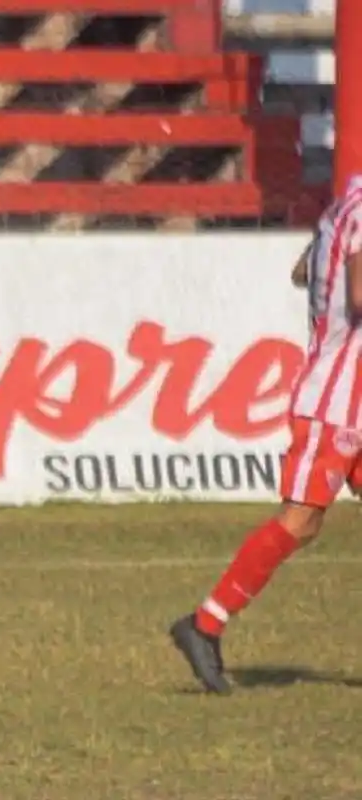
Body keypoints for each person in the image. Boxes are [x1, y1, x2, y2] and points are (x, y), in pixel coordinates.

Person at [170, 174, 362, 695]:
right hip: (336, 399)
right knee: (299, 521)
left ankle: (205, 625)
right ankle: (205, 624)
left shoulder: (342, 207)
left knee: (303, 523)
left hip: (352, 395)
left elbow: (302, 272)